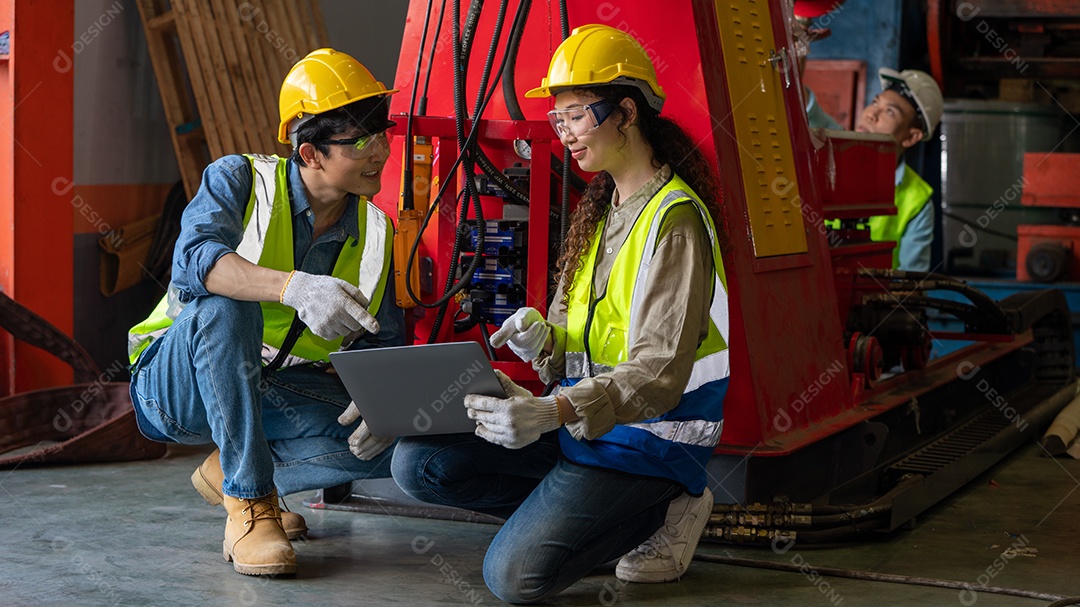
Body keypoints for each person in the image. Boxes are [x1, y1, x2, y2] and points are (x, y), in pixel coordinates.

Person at [391, 24, 730, 603]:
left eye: (576, 115)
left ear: (625, 112)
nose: (564, 132)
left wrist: (553, 409)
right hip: (580, 429)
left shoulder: (673, 221)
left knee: (514, 579)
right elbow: (582, 345)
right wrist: (541, 342)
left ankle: (673, 505)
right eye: (559, 119)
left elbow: (658, 371)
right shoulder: (602, 209)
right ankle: (577, 516)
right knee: (418, 463)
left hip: (646, 446)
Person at [126, 48, 404, 576]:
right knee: (227, 306)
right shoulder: (238, 180)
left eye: (382, 133)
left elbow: (379, 338)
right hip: (176, 388)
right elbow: (193, 262)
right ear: (310, 154)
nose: (381, 151)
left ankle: (230, 467)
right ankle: (251, 504)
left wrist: (383, 403)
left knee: (400, 442)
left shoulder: (376, 231)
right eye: (360, 141)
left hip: (273, 389)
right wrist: (293, 287)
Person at [854, 68, 944, 271]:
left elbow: (910, 285)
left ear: (911, 137)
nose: (871, 114)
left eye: (890, 111)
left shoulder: (917, 202)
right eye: (875, 102)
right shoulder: (825, 161)